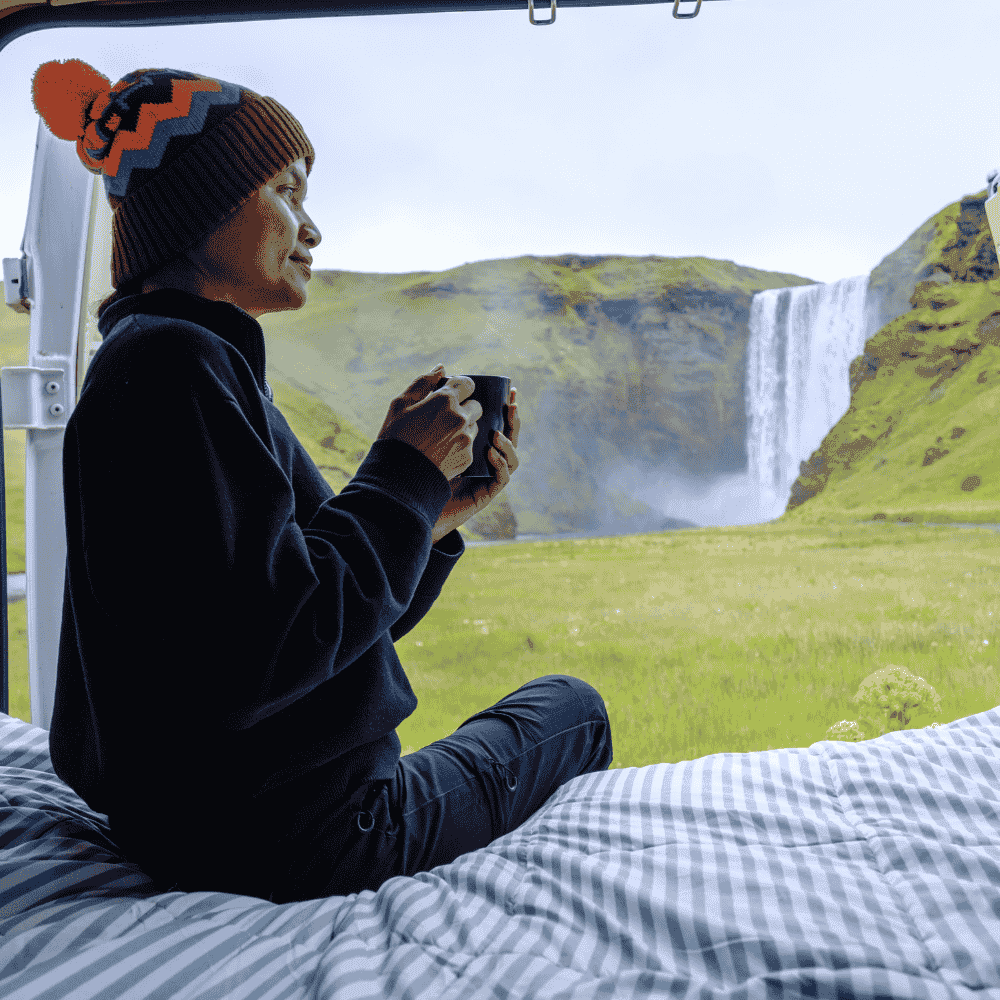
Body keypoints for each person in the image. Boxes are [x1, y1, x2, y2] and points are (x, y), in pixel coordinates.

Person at [31, 58, 613, 903]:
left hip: (198, 819)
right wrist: (400, 475)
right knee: (575, 707)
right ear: (203, 204)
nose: (311, 229)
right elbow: (265, 651)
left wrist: (429, 516)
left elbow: (315, 633)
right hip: (305, 835)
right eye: (286, 191)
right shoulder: (175, 366)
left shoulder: (165, 361)